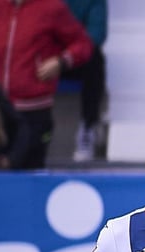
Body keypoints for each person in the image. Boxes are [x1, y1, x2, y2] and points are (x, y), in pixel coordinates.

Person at [0, 0, 93, 169]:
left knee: (28, 176)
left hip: (33, 110)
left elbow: (83, 44)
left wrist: (61, 61)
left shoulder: (51, 7)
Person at [64, 0, 107, 162]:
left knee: (95, 60)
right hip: (48, 54)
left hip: (75, 58)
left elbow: (96, 35)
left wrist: (68, 56)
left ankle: (88, 127)